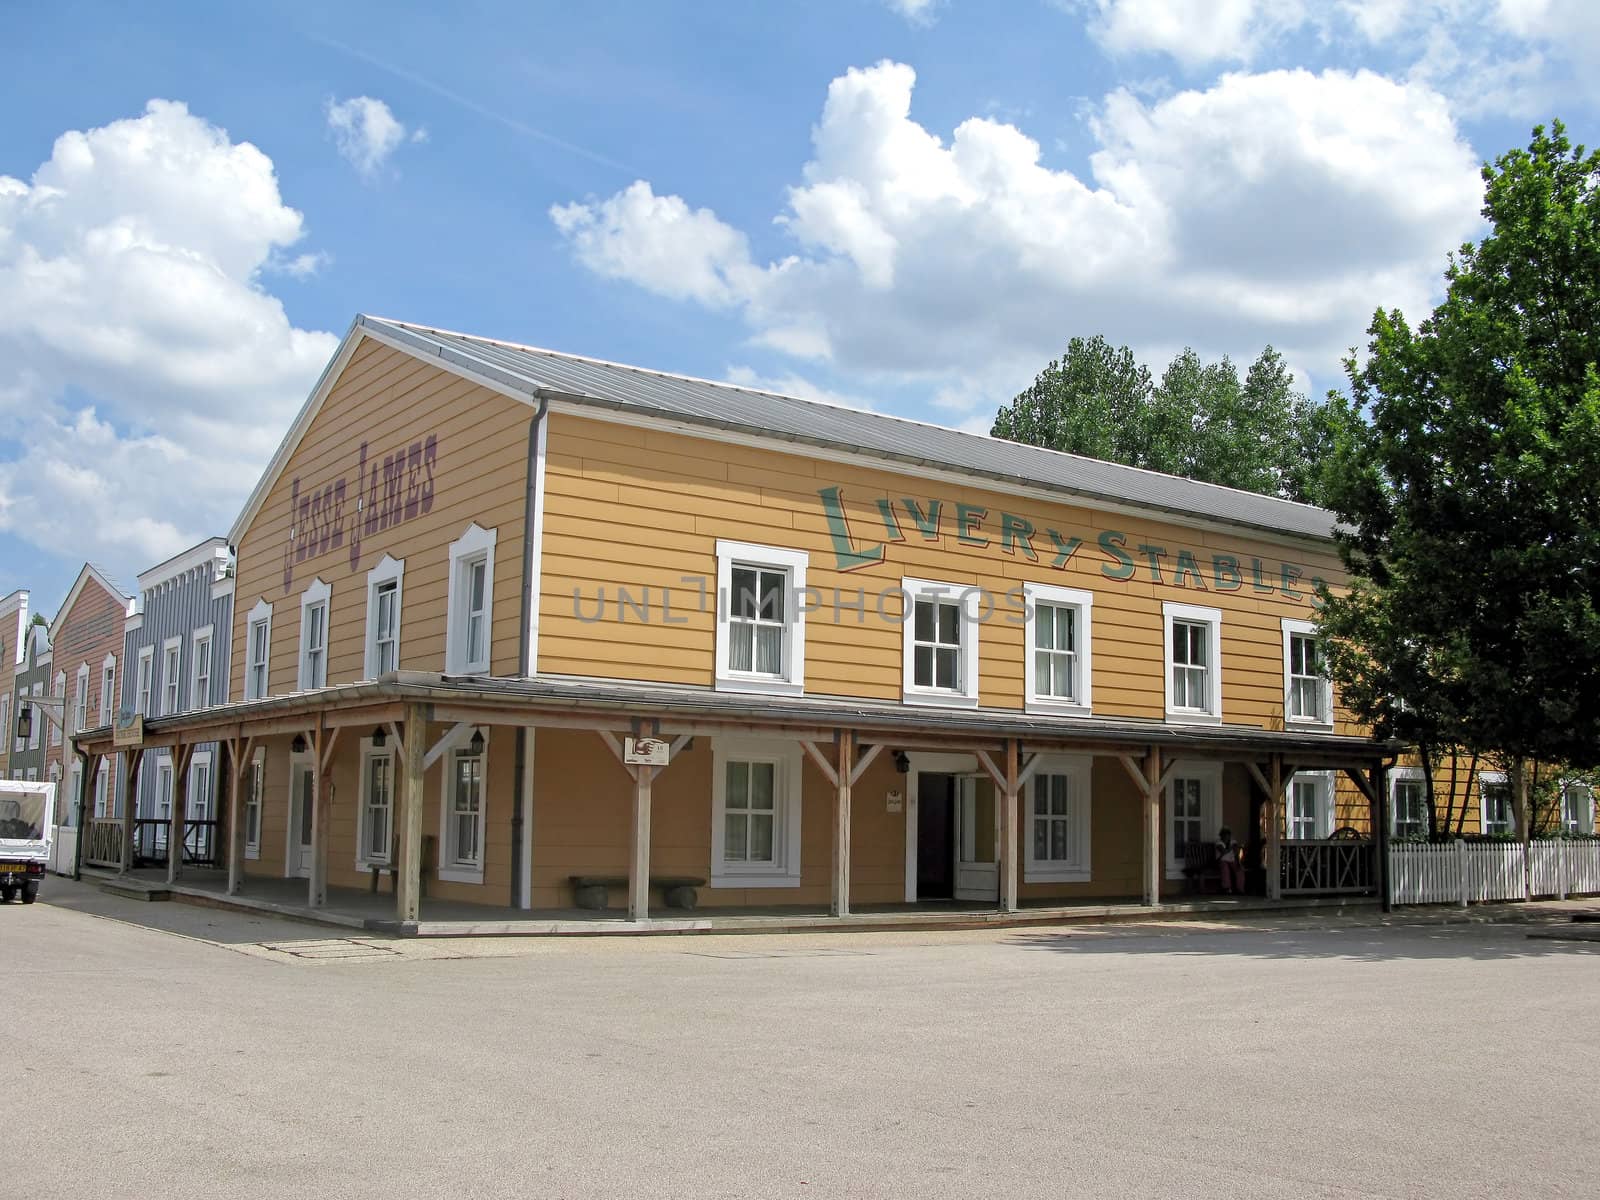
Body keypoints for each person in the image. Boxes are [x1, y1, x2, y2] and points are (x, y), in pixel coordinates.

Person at [1215, 826, 1244, 895]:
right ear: (1221, 836)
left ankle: (1240, 889)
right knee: (1225, 870)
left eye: (1228, 835)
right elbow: (1223, 851)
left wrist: (1238, 862)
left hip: (1232, 860)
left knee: (1239, 870)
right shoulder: (1218, 843)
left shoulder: (1233, 841)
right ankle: (1227, 888)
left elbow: (1236, 851)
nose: (1226, 837)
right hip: (1222, 860)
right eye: (1224, 835)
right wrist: (1231, 847)